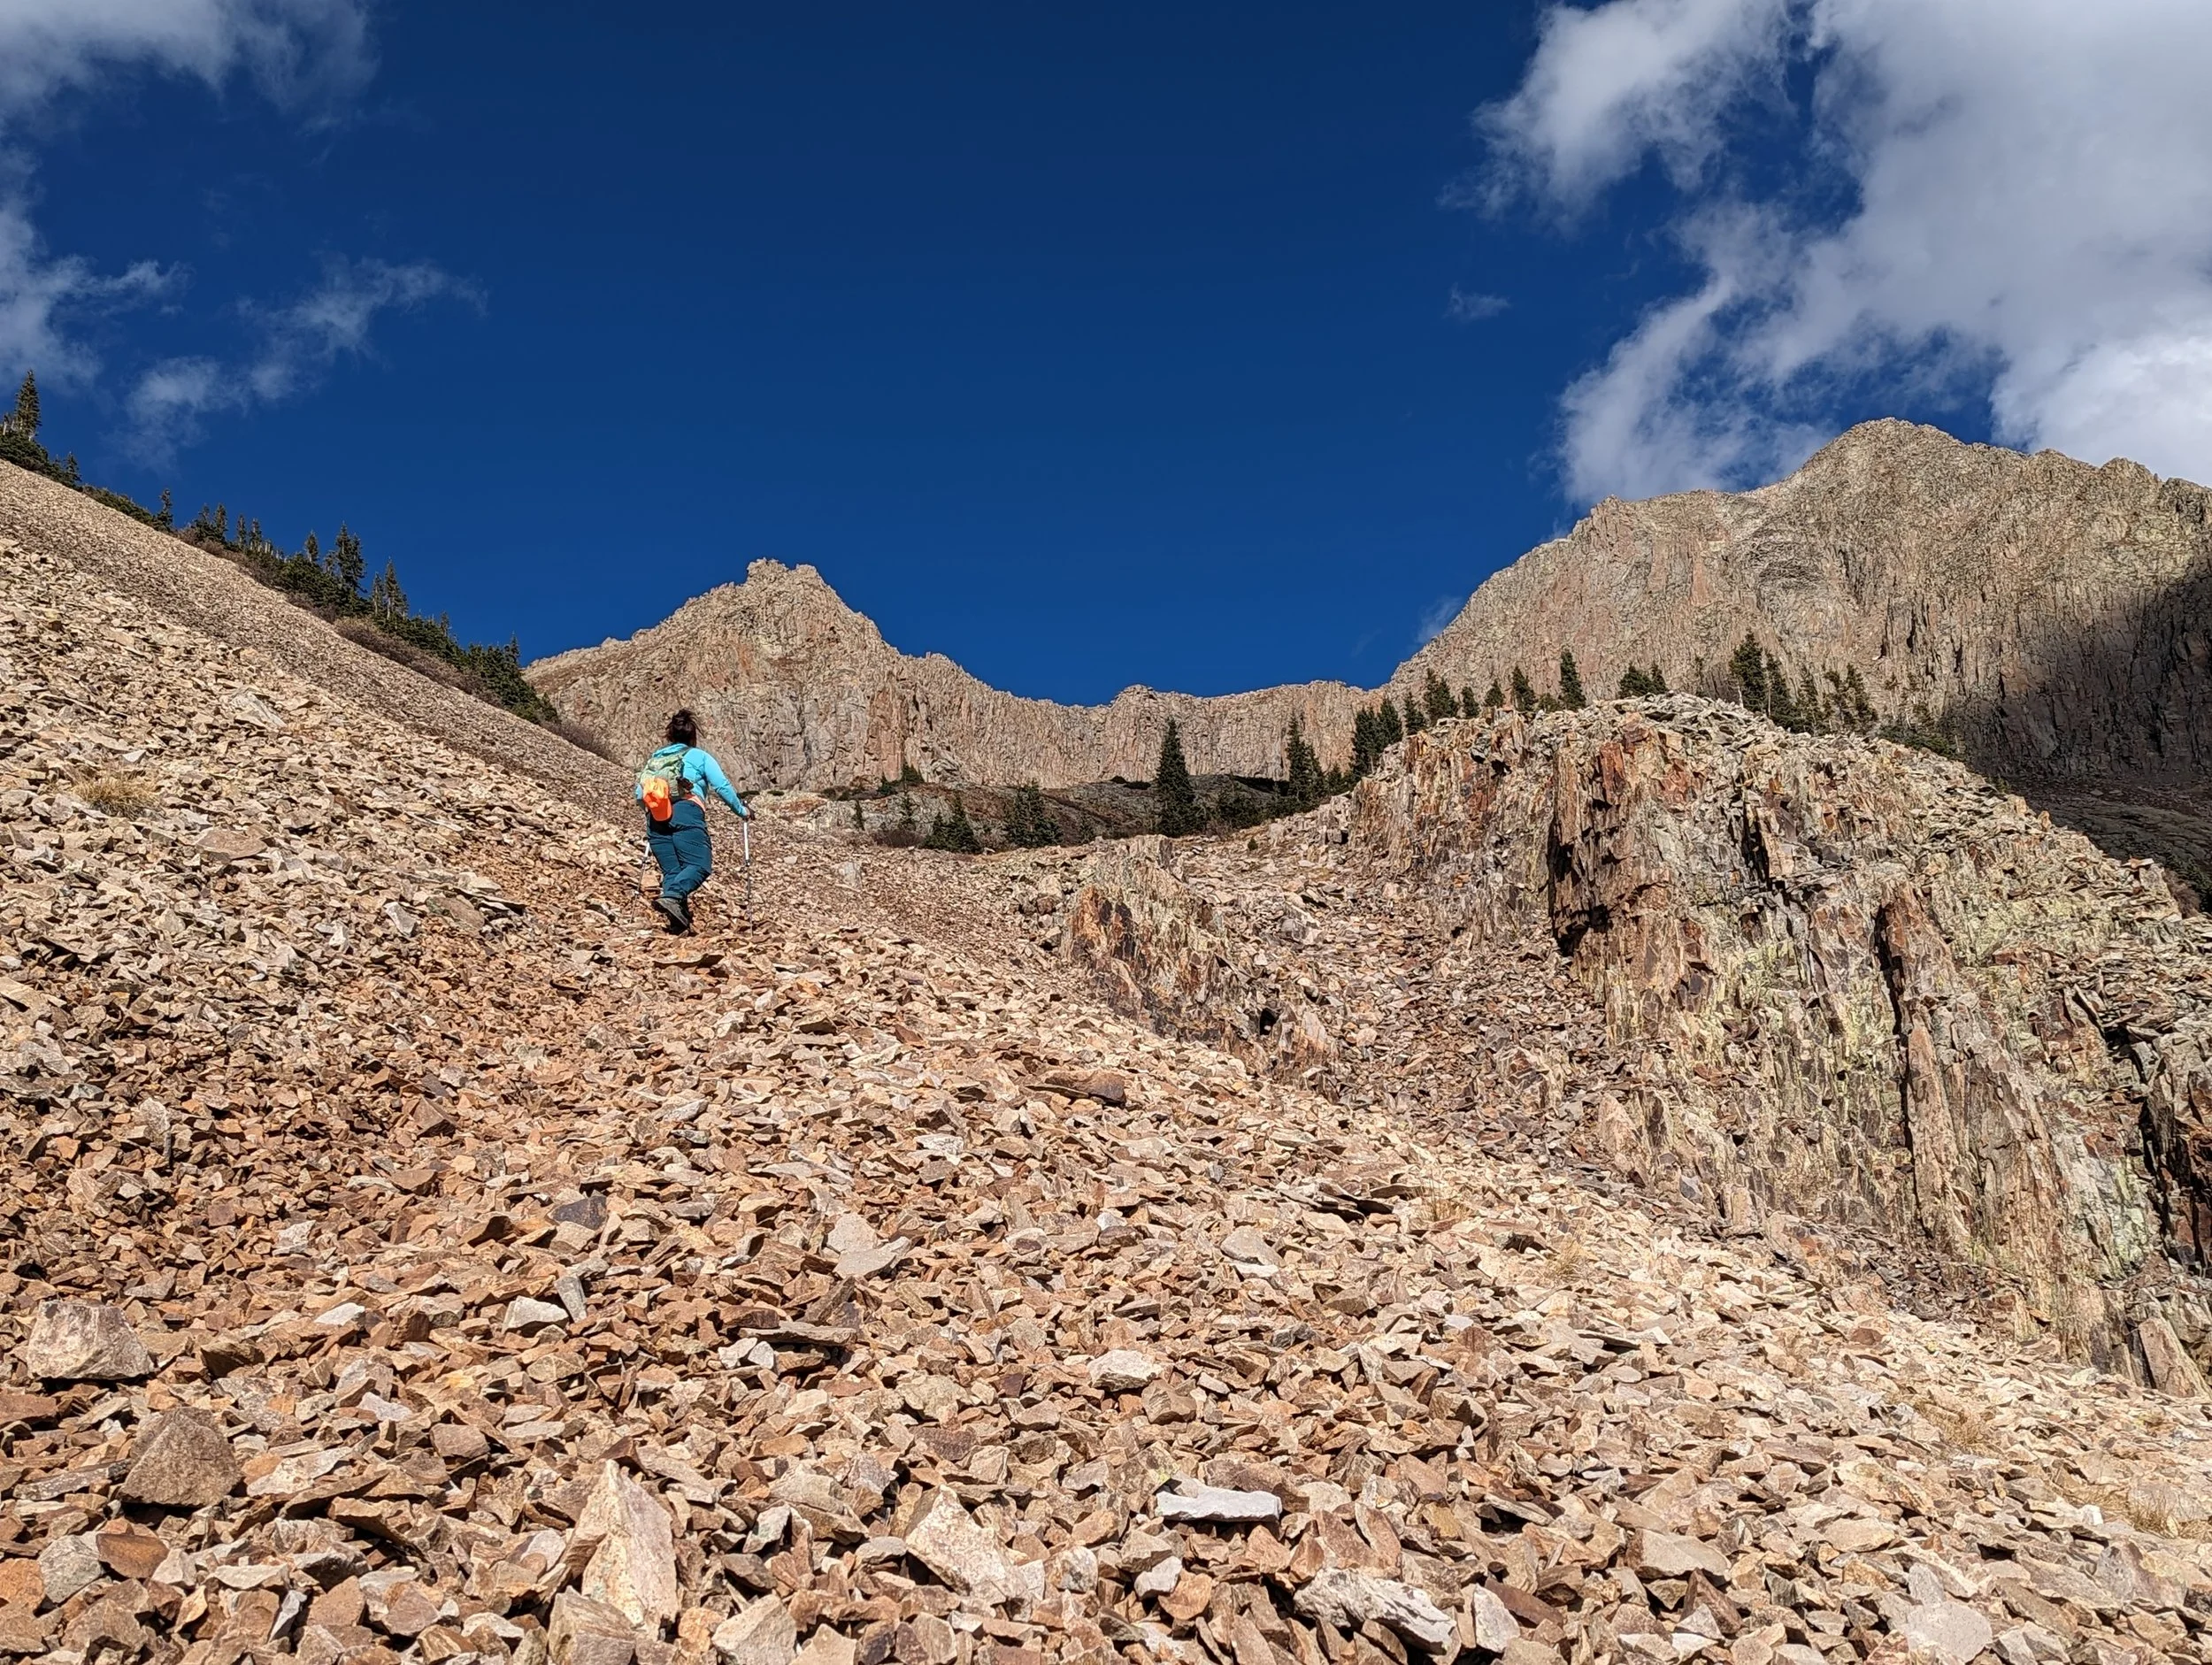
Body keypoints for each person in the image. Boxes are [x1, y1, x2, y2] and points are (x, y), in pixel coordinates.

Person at [635, 710, 749, 934]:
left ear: (670, 736)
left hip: (656, 817)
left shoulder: (656, 760)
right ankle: (672, 896)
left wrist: (657, 809)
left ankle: (678, 922)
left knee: (672, 871)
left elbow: (640, 794)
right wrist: (741, 810)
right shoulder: (699, 756)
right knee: (699, 865)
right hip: (686, 812)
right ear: (692, 736)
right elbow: (722, 786)